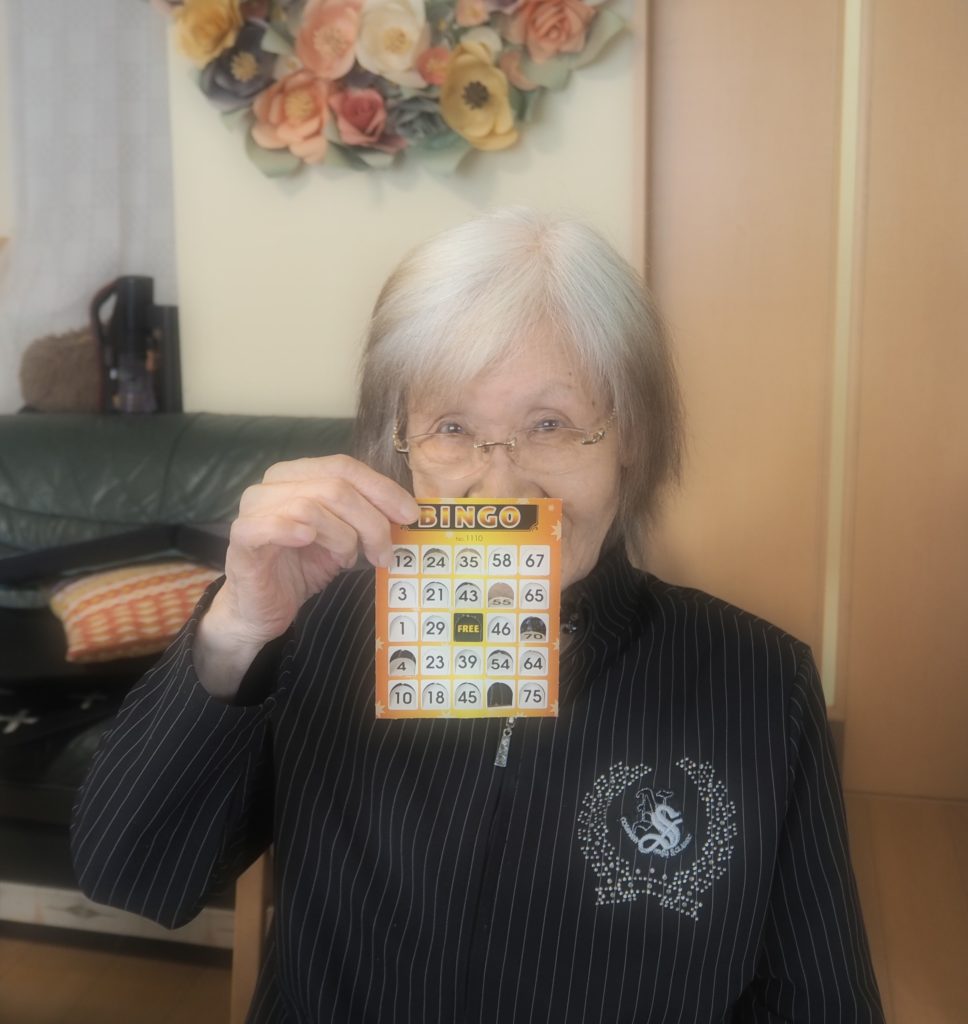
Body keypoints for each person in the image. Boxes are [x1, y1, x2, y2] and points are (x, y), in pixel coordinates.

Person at [71, 208, 884, 1023]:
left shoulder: (758, 679)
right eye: (453, 427)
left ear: (630, 438)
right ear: (402, 443)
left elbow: (820, 1000)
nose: (501, 488)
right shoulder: (316, 632)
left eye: (551, 425)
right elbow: (131, 874)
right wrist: (240, 629)